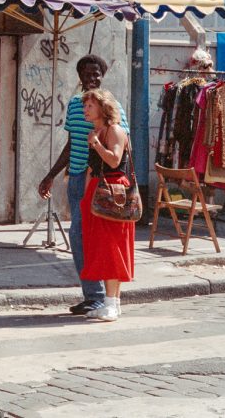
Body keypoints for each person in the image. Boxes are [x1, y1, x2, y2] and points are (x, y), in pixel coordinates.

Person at [37, 55, 128, 315]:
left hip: (101, 182)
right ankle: (94, 295)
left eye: (97, 73)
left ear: (103, 76)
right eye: (88, 74)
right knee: (79, 238)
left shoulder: (113, 106)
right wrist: (51, 174)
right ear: (80, 77)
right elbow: (71, 144)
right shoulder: (76, 105)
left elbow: (122, 145)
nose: (93, 78)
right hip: (77, 179)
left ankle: (101, 297)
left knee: (89, 237)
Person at [79, 88, 135, 321]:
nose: (85, 109)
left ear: (103, 107)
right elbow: (92, 169)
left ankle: (111, 303)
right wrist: (85, 198)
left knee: (112, 247)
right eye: (85, 106)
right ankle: (113, 303)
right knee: (101, 248)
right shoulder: (96, 131)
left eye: (90, 105)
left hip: (114, 193)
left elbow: (113, 158)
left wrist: (96, 144)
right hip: (98, 193)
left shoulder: (114, 130)